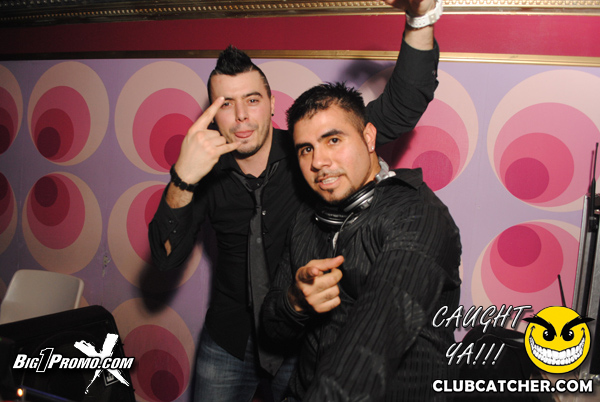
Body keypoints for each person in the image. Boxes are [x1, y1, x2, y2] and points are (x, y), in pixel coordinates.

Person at [148, 0, 443, 399]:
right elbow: (165, 259)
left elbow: (400, 107)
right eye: (225, 104)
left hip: (303, 343)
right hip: (228, 341)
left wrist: (420, 19)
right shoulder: (202, 173)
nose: (241, 116)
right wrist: (183, 178)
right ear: (213, 114)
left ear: (272, 104)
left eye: (252, 100)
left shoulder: (310, 154)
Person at [261, 81, 461, 400]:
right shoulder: (305, 220)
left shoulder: (419, 217)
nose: (318, 162)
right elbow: (272, 330)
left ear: (368, 137)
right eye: (306, 149)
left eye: (333, 140)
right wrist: (294, 302)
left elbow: (372, 347)